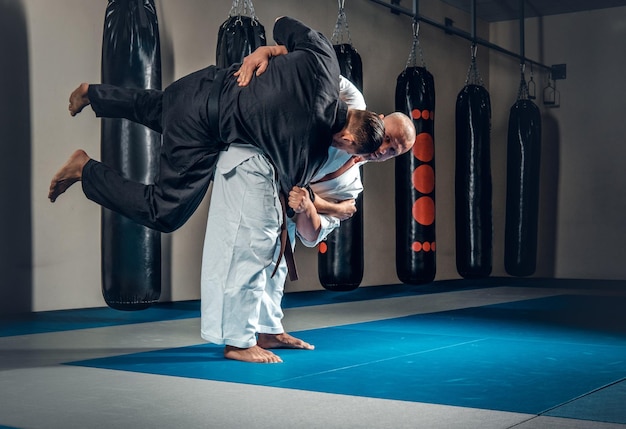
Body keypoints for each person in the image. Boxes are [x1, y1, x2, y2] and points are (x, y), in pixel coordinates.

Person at [48, 16, 385, 234]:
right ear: (348, 140)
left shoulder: (326, 61)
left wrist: (268, 51)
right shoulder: (307, 154)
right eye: (349, 149)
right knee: (164, 212)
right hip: (200, 130)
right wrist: (337, 207)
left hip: (203, 82)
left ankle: (93, 94)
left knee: (162, 107)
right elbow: (289, 202)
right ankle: (84, 170)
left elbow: (283, 23)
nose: (341, 151)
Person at [201, 62, 416, 363]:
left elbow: (311, 235)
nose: (385, 148)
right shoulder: (352, 106)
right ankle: (238, 340)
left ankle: (268, 330)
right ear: (379, 120)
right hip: (252, 163)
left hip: (280, 200)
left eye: (394, 150)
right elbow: (312, 69)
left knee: (277, 267)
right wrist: (271, 51)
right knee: (247, 253)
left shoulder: (352, 185)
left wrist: (312, 205)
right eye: (389, 137)